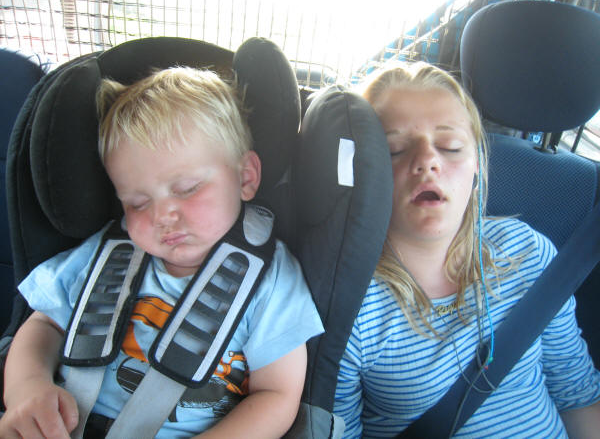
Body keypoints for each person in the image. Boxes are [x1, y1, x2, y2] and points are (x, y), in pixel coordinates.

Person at [0, 67, 324, 438]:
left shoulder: (271, 279)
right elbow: (44, 324)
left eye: (186, 189)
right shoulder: (106, 255)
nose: (162, 216)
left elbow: (277, 395)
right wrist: (27, 387)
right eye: (137, 203)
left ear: (245, 177)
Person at [333, 62, 600, 438]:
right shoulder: (351, 308)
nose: (427, 161)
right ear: (362, 170)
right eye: (395, 150)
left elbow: (577, 396)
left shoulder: (528, 253)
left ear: (476, 163)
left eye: (450, 147)